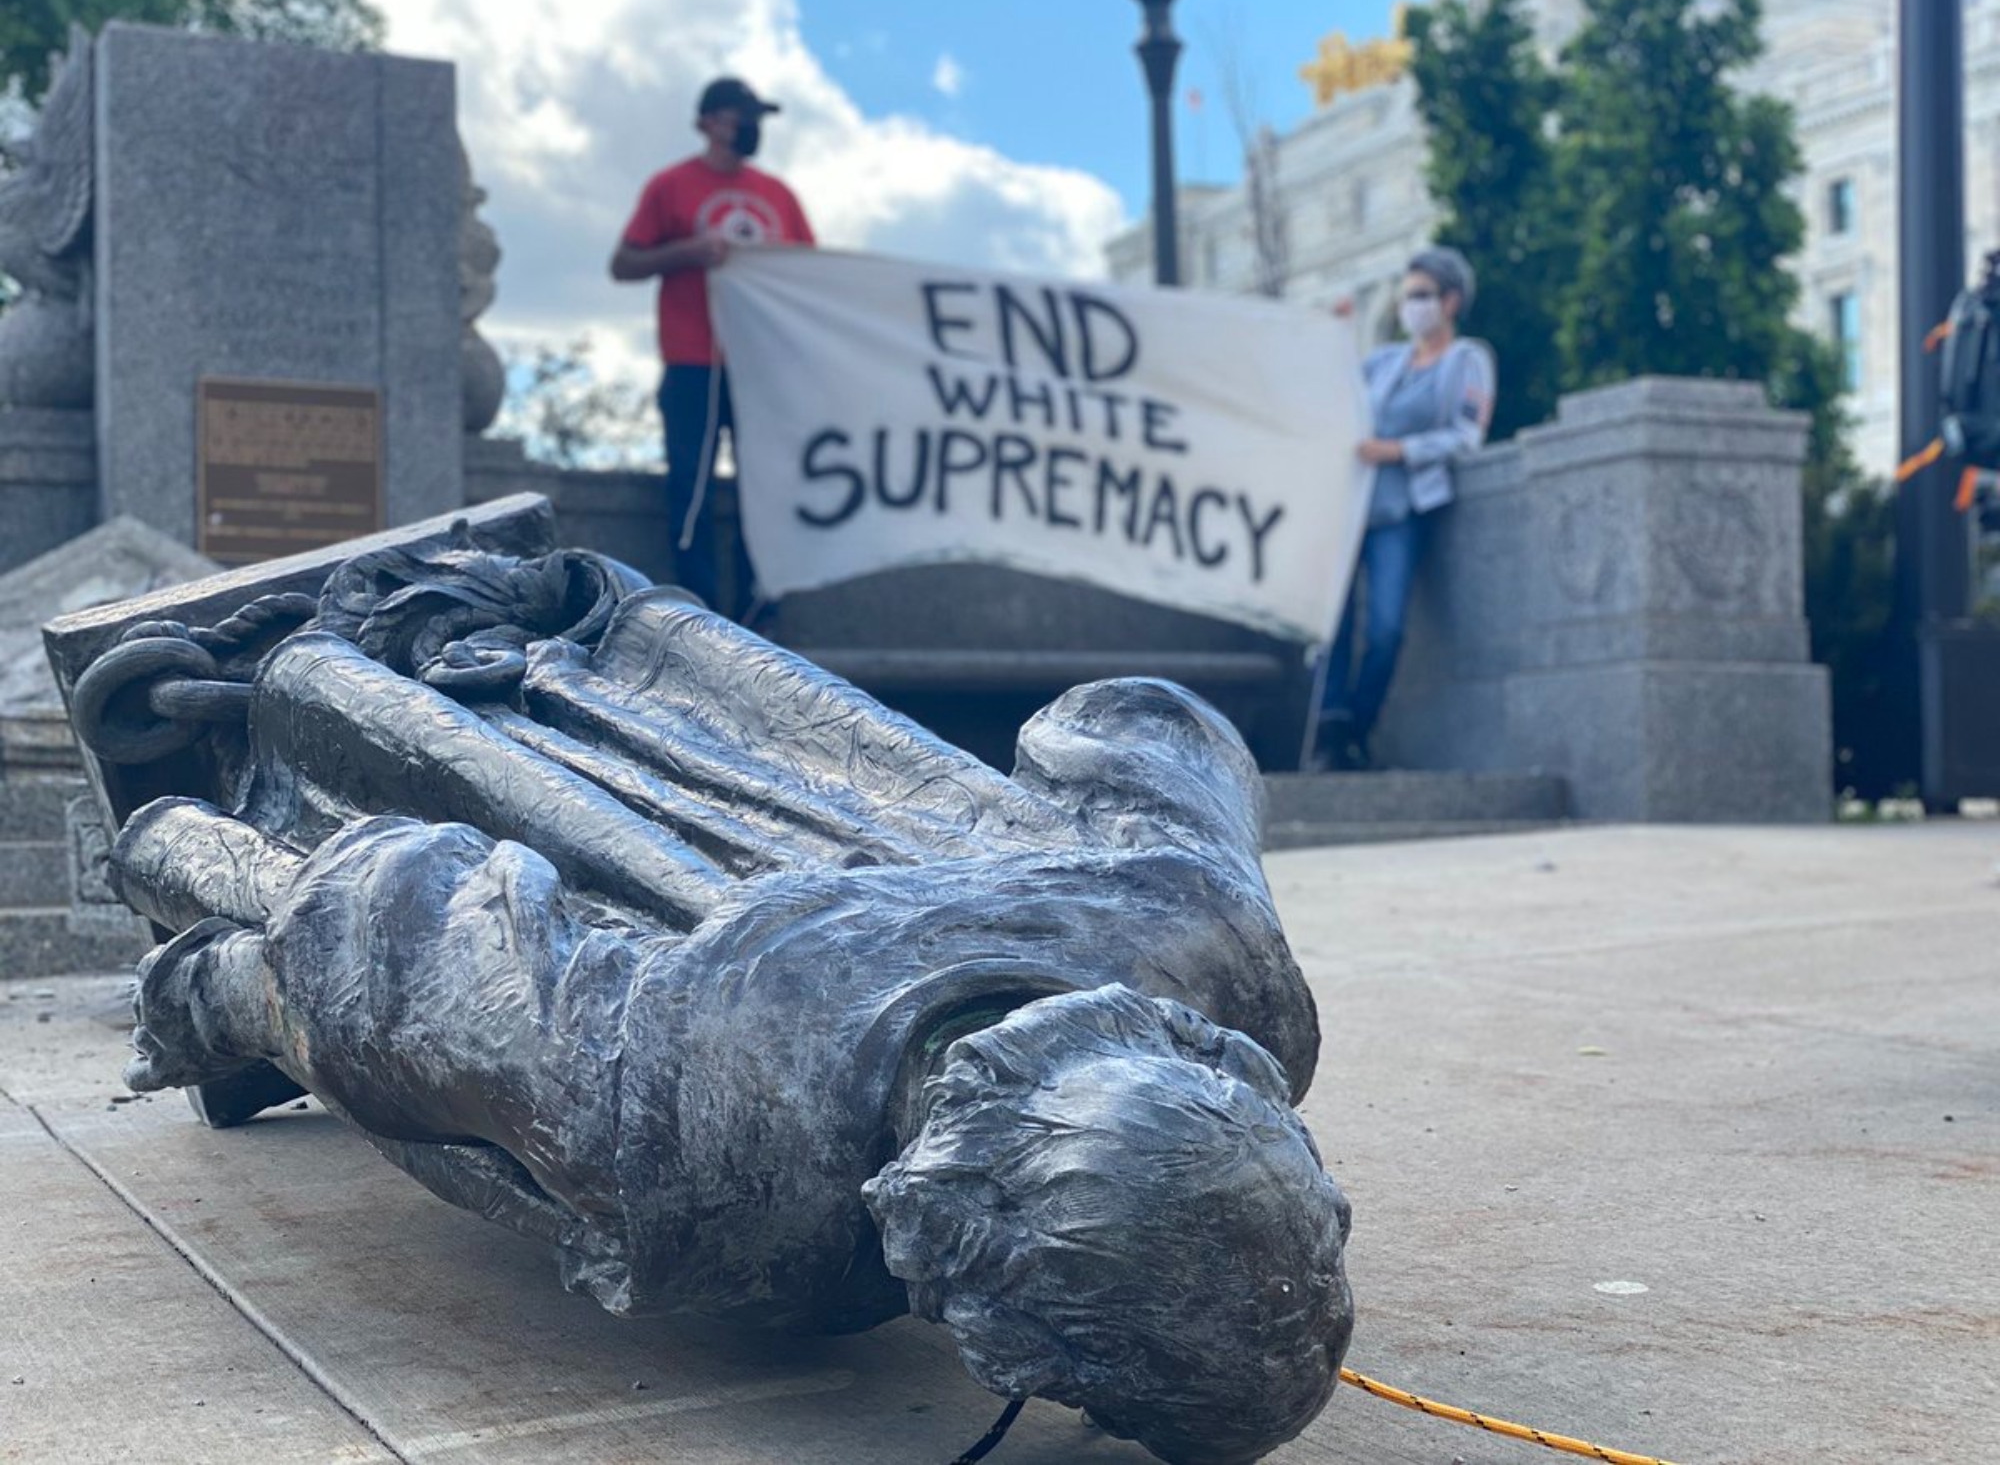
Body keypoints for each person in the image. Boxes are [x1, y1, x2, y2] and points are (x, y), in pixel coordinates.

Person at [84, 535, 1354, 1465]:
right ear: (1007, 1353)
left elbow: (1140, 722)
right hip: (456, 733)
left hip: (605, 658)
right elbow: (383, 934)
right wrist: (221, 991)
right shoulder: (701, 1154)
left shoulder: (1219, 952)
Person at [611, 77, 815, 619]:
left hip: (759, 367)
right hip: (693, 361)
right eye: (739, 117)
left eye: (756, 119)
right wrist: (688, 252)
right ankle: (699, 613)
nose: (751, 129)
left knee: (766, 490)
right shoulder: (671, 187)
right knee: (692, 490)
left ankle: (759, 614)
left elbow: (811, 276)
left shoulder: (778, 196)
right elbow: (623, 263)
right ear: (707, 122)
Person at [1317, 246, 1496, 770]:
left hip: (1402, 513)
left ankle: (1358, 723)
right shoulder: (1383, 361)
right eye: (1406, 297)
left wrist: (1399, 451)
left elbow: (1467, 437)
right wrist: (1332, 336)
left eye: (1421, 296)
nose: (1410, 307)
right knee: (1333, 626)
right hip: (1352, 511)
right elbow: (1339, 397)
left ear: (1451, 300)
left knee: (1387, 628)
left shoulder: (1469, 359)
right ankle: (1328, 730)